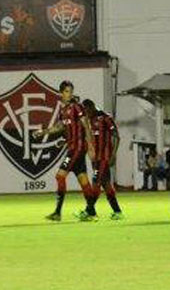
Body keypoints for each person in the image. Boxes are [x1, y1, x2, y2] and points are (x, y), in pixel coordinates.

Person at [33, 81, 96, 221]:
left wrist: (91, 146)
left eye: (71, 91)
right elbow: (59, 127)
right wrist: (43, 132)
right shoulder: (64, 110)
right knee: (83, 179)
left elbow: (86, 125)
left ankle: (57, 213)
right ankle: (91, 212)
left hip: (78, 148)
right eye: (67, 91)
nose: (69, 94)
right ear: (61, 93)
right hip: (73, 147)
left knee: (60, 176)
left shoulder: (77, 107)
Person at [75, 99, 123, 220]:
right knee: (106, 184)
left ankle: (89, 211)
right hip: (95, 158)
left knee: (96, 182)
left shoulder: (105, 117)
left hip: (104, 157)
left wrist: (113, 155)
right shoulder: (88, 120)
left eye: (85, 111)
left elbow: (116, 136)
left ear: (91, 107)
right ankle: (117, 212)